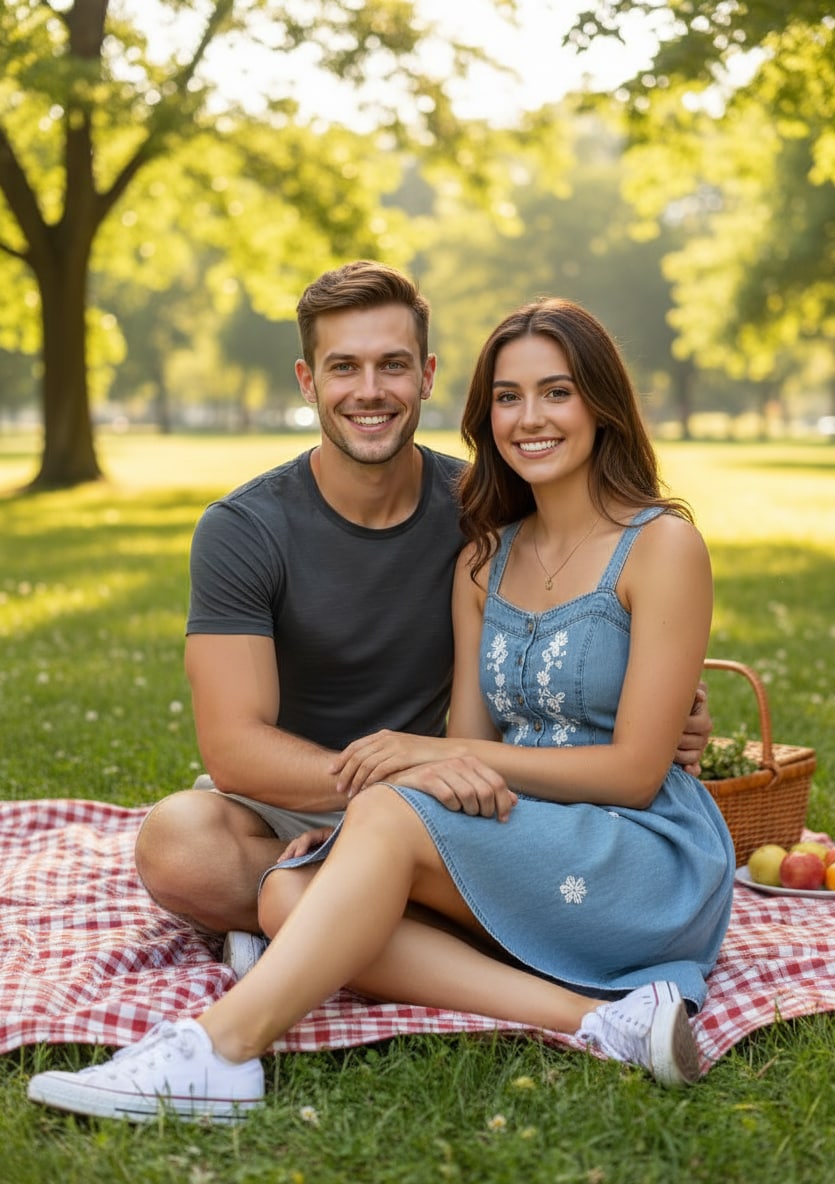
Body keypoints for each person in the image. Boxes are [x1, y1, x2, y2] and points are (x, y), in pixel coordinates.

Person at [28, 294, 735, 1123]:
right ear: (309, 380)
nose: (530, 418)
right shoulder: (485, 553)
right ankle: (602, 1021)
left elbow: (628, 769)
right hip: (495, 819)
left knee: (383, 822)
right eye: (508, 397)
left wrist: (421, 766)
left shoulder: (644, 541)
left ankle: (219, 1050)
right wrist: (384, 806)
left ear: (601, 405)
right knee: (287, 896)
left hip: (639, 854)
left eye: (557, 392)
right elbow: (455, 746)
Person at [130, 261, 711, 973]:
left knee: (334, 870)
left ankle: (326, 920)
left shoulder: (487, 513)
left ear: (427, 375)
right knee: (178, 844)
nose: (369, 390)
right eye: (344, 367)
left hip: (459, 797)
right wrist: (397, 781)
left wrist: (675, 713)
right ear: (308, 381)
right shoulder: (244, 529)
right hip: (313, 792)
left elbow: (591, 602)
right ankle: (373, 909)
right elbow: (233, 749)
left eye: (393, 365)